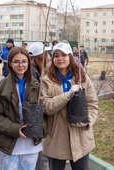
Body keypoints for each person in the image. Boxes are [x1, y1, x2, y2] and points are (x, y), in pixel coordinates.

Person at [40, 42, 98, 170]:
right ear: (52, 58)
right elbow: (46, 106)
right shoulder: (46, 80)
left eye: (64, 55)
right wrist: (67, 95)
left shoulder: (82, 77)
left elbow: (92, 103)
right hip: (56, 138)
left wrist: (88, 121)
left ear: (71, 56)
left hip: (80, 138)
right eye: (56, 56)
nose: (60, 59)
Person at [0, 47, 45, 170]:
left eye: (24, 61)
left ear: (29, 63)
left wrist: (41, 130)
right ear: (10, 63)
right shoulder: (1, 86)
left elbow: (45, 113)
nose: (20, 65)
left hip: (31, 144)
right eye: (16, 61)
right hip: (8, 144)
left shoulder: (36, 85)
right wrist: (16, 129)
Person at [28, 42, 49, 170]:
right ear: (40, 56)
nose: (48, 57)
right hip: (35, 121)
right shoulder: (34, 73)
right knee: (40, 160)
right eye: (46, 54)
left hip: (33, 121)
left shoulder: (33, 70)